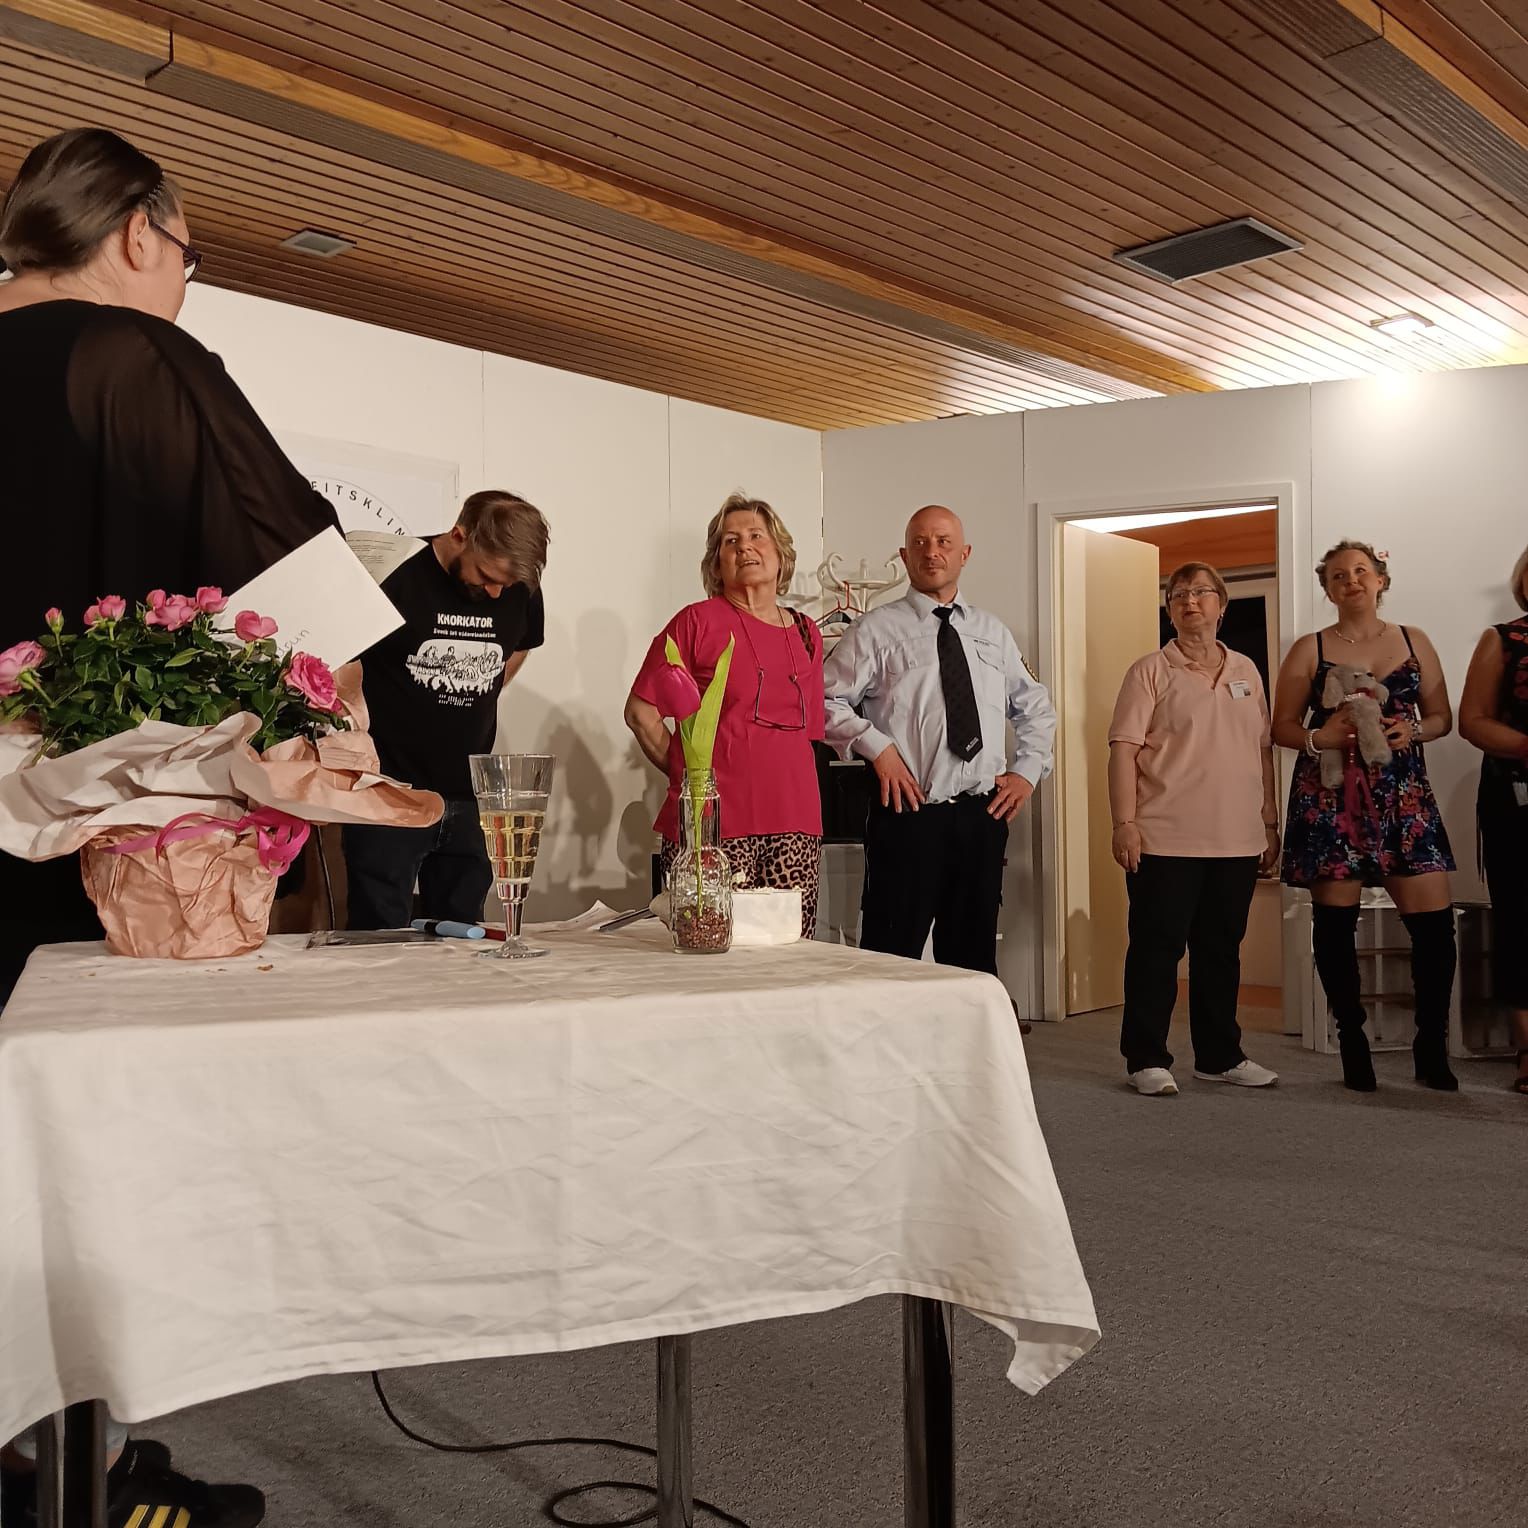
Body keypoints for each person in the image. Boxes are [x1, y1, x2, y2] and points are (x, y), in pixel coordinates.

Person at [0, 127, 338, 1528]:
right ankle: (82, 1475)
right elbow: (302, 587)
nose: (185, 283)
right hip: (85, 849)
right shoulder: (136, 356)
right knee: (81, 1169)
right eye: (189, 257)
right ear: (138, 231)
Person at [822, 504, 1054, 997]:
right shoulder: (875, 630)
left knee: (972, 959)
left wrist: (1027, 772)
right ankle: (887, 1044)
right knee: (891, 953)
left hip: (980, 816)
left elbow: (1035, 707)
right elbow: (823, 700)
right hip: (908, 815)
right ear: (904, 555)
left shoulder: (992, 632)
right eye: (921, 543)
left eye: (944, 542)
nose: (933, 552)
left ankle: (968, 1047)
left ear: (964, 554)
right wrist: (878, 748)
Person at [1271, 541, 1457, 1092]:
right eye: (1337, 575)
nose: (1350, 580)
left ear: (1380, 579)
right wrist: (1319, 736)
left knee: (1434, 927)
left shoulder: (1413, 639)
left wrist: (1412, 730)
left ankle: (1430, 1046)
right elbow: (1280, 726)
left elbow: (1442, 717)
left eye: (1360, 571)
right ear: (1327, 589)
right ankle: (1352, 1043)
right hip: (1332, 796)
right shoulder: (1310, 648)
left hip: (1405, 795)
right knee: (1335, 925)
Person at [1108, 562, 1281, 1096]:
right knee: (1157, 951)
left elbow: (1261, 750)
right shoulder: (1149, 671)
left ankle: (1220, 1055)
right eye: (1179, 594)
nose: (1190, 601)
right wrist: (1124, 823)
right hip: (1165, 836)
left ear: (1221, 605)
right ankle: (1146, 1059)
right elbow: (1123, 751)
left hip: (1237, 837)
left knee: (1221, 951)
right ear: (1170, 610)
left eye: (1202, 592)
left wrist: (1269, 820)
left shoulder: (1247, 670)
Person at [342, 491, 548, 929]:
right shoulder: (394, 571)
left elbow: (521, 644)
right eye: (486, 577)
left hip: (470, 793)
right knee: (379, 937)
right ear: (459, 535)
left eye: (506, 584)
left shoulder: (519, 586)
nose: (496, 592)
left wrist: (477, 684)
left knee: (463, 938)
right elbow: (340, 660)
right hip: (388, 789)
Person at [625, 493, 824, 935]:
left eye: (756, 536)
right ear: (717, 564)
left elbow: (809, 734)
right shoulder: (696, 623)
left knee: (792, 952)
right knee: (708, 948)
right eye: (730, 541)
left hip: (796, 821)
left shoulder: (808, 632)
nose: (744, 547)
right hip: (711, 827)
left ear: (781, 554)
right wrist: (689, 772)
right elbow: (641, 712)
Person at [1458, 542, 1528, 1095]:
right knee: (1522, 923)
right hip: (1517, 801)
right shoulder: (1503, 639)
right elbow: (1474, 720)